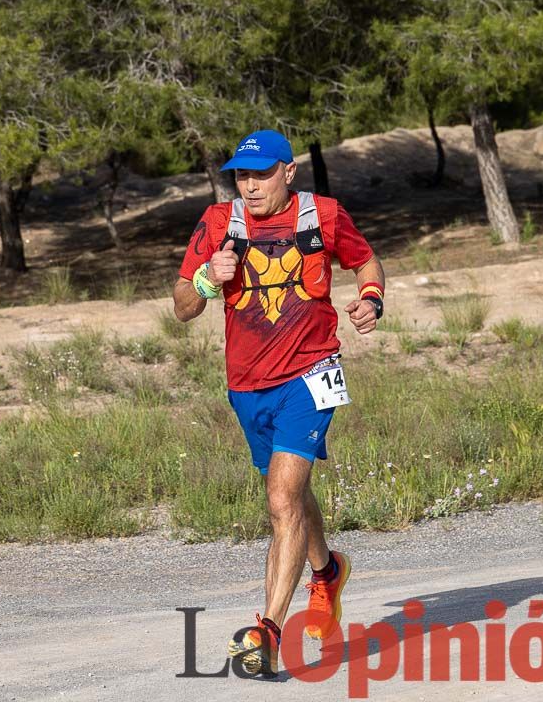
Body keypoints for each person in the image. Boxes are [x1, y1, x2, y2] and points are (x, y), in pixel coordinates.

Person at [174, 129, 385, 676]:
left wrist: (371, 300)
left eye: (261, 174)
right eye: (241, 176)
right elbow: (180, 308)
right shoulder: (219, 224)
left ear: (288, 172)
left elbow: (366, 262)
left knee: (282, 498)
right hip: (246, 385)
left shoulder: (324, 215)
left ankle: (266, 629)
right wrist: (205, 279)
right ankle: (327, 571)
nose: (249, 185)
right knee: (289, 496)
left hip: (313, 372)